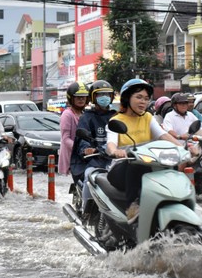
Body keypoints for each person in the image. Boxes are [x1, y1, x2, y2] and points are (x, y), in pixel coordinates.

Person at [106, 79, 186, 220]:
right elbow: (111, 143)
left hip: (147, 164)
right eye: (138, 97)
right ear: (126, 98)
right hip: (122, 167)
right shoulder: (116, 120)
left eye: (146, 98)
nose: (143, 102)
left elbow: (163, 135)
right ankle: (132, 206)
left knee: (169, 167)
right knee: (136, 165)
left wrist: (183, 149)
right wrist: (115, 151)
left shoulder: (148, 117)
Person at [75, 80, 116, 215]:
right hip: (96, 159)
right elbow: (82, 137)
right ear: (93, 97)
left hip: (115, 159)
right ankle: (86, 212)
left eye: (107, 94)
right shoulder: (87, 117)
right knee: (89, 178)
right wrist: (87, 148)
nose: (104, 97)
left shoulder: (116, 116)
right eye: (100, 95)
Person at [59, 81, 90, 181]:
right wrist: (80, 149)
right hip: (72, 158)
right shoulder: (67, 114)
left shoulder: (86, 114)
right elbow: (66, 138)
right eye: (78, 97)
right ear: (71, 98)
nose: (81, 99)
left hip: (86, 156)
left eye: (83, 97)